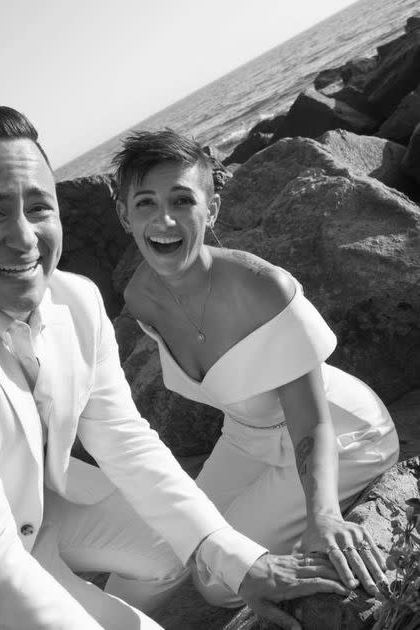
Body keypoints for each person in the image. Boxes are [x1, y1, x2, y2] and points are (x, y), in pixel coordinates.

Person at [0, 106, 348, 630]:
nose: (24, 238)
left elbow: (124, 438)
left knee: (178, 552)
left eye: (39, 207)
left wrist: (242, 563)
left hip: (42, 509)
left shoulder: (79, 300)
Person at [112, 128, 400, 607]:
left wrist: (322, 515)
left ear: (212, 209)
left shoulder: (262, 288)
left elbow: (312, 421)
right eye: (145, 203)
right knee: (145, 558)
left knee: (220, 582)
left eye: (182, 200)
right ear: (125, 215)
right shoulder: (141, 300)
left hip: (340, 433)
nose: (163, 219)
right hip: (244, 435)